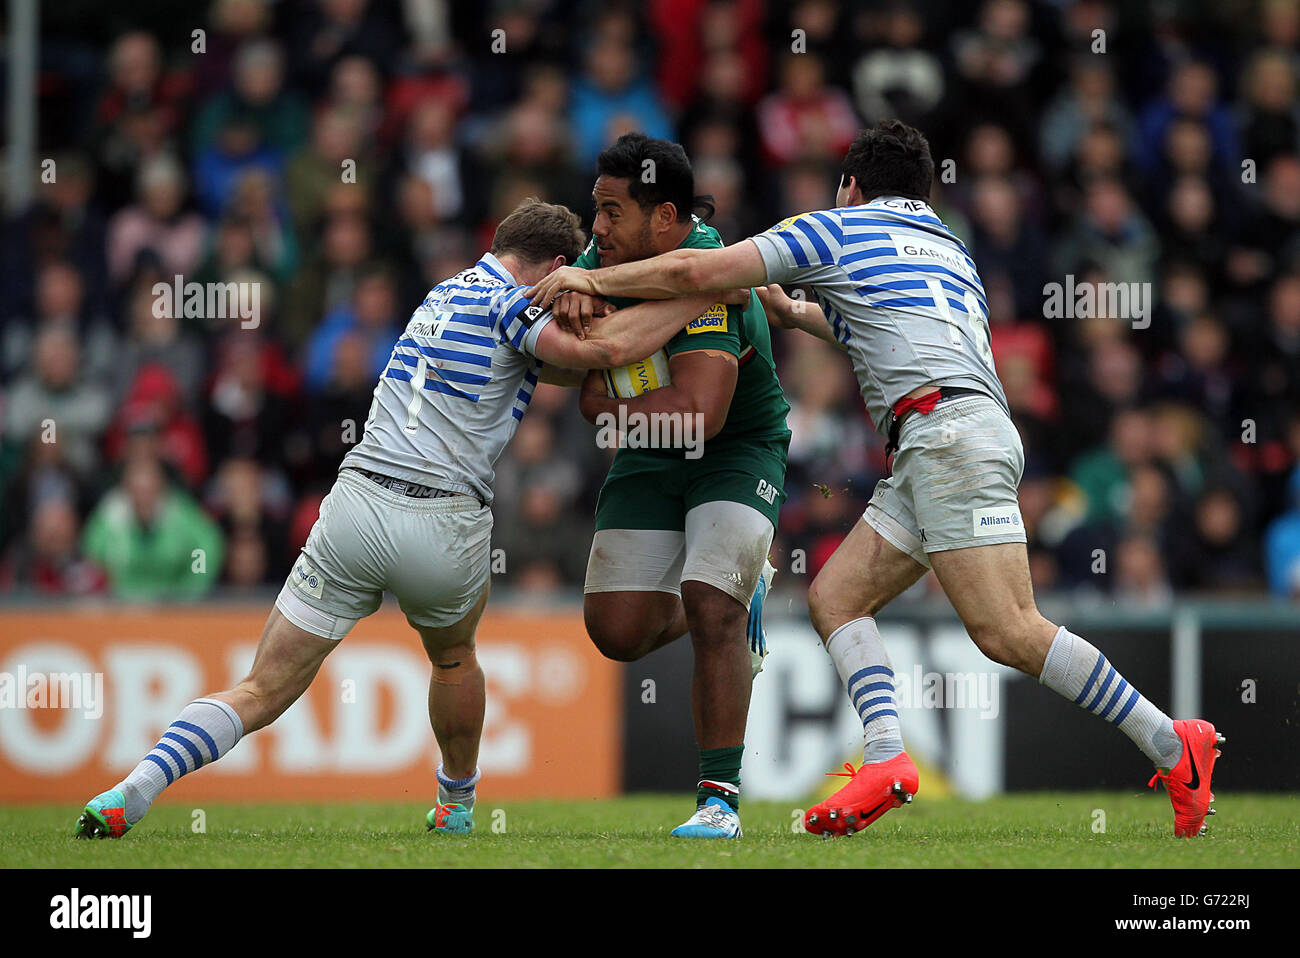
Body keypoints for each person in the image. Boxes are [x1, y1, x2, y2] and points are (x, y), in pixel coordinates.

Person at [528, 121, 1224, 840]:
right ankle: (888, 759)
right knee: (836, 598)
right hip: (951, 430)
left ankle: (1174, 744)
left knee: (1007, 630)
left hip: (945, 438)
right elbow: (882, 323)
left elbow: (697, 272)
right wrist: (791, 311)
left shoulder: (836, 229)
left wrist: (590, 276)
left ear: (851, 187)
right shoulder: (949, 246)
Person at [74, 198, 739, 839]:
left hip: (355, 506)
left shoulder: (441, 293)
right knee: (453, 659)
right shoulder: (513, 302)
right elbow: (597, 353)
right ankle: (456, 801)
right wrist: (702, 292)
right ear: (552, 265)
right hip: (442, 519)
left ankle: (137, 784)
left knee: (260, 687)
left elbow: (549, 368)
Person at [550, 134, 791, 838]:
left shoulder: (715, 270)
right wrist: (602, 376)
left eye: (611, 211)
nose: (595, 229)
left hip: (736, 449)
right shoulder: (600, 264)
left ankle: (719, 802)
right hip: (652, 453)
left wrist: (606, 374)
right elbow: (584, 392)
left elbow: (700, 412)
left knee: (710, 604)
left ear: (664, 217)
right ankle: (746, 584)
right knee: (616, 631)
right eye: (596, 209)